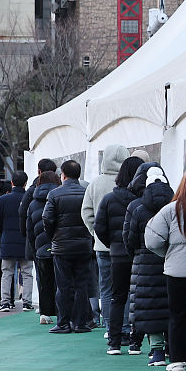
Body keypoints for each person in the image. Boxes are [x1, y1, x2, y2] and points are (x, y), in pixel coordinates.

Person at [146, 164, 186, 371]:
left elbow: (152, 240)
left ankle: (178, 360)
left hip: (176, 270)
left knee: (177, 315)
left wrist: (167, 253)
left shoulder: (171, 210)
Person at [124, 163, 174, 367]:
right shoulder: (175, 205)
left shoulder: (137, 208)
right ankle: (175, 348)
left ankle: (157, 351)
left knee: (150, 306)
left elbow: (129, 239)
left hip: (144, 263)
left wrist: (137, 254)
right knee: (172, 306)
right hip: (171, 260)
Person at [94, 155, 144, 356]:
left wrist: (113, 245)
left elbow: (99, 227)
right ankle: (135, 342)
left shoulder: (108, 199)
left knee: (117, 297)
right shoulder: (141, 200)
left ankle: (114, 342)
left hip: (117, 255)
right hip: (139, 254)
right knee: (138, 298)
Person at [42, 160, 93, 334]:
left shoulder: (55, 194)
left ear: (62, 174)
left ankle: (63, 322)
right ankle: (80, 323)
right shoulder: (86, 192)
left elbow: (47, 219)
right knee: (81, 284)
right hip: (84, 244)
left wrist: (53, 237)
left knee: (63, 286)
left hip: (62, 245)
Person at [83, 145, 129, 329]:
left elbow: (86, 212)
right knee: (124, 288)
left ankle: (110, 326)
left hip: (102, 246)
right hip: (125, 246)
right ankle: (125, 326)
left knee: (107, 289)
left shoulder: (95, 183)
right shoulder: (129, 182)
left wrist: (96, 233)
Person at [0, 170, 33, 312]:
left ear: (12, 183)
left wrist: (5, 231)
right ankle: (27, 302)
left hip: (8, 240)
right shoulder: (30, 198)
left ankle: (5, 302)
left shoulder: (3, 200)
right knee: (27, 272)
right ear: (26, 183)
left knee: (7, 272)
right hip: (25, 240)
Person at [27, 171, 62, 326]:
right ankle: (62, 312)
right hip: (59, 244)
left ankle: (45, 313)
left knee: (44, 282)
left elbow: (28, 228)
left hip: (40, 246)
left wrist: (34, 246)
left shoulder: (33, 203)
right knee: (62, 281)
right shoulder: (60, 197)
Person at [19, 159, 57, 284]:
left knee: (42, 278)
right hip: (58, 240)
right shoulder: (60, 190)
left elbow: (23, 214)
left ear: (39, 171)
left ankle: (45, 303)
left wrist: (26, 236)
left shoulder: (32, 191)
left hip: (37, 240)